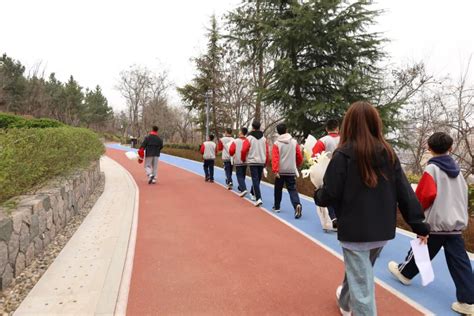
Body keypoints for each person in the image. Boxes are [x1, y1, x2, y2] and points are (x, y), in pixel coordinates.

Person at [313, 101, 430, 315]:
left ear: (348, 125)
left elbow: (330, 193)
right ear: (376, 124)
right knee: (360, 273)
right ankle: (346, 301)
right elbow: (405, 191)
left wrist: (317, 194)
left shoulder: (343, 155)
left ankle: (356, 305)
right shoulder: (388, 153)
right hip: (382, 230)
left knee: (363, 287)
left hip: (354, 230)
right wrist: (419, 225)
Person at [388, 132, 473, 315]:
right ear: (451, 148)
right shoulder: (458, 173)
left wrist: (418, 217)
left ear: (429, 148)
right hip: (455, 225)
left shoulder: (432, 169)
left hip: (436, 223)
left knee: (421, 249)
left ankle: (405, 273)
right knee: (460, 263)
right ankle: (468, 301)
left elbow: (424, 196)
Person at [313, 119, 340, 230]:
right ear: (338, 128)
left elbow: (315, 158)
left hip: (327, 172)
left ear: (326, 129)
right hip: (343, 171)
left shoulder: (322, 141)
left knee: (328, 194)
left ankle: (333, 218)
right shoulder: (345, 140)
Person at [271, 123, 303, 219]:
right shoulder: (294, 142)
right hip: (290, 169)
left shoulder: (277, 144)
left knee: (278, 189)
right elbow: (299, 156)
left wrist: (275, 170)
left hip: (280, 171)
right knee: (292, 189)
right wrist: (296, 165)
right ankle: (297, 204)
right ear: (286, 130)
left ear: (278, 132)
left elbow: (275, 158)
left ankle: (277, 206)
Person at [247, 120, 269, 207]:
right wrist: (265, 161)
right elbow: (266, 151)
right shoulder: (264, 138)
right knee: (258, 179)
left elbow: (245, 149)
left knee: (255, 179)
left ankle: (258, 198)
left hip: (253, 161)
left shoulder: (249, 138)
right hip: (261, 161)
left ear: (252, 127)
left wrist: (244, 158)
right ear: (259, 127)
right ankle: (253, 193)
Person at [229, 127, 250, 197]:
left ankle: (244, 189)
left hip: (238, 160)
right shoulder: (248, 140)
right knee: (243, 174)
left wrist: (232, 155)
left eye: (239, 131)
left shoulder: (235, 141)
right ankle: (241, 187)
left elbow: (231, 150)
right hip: (246, 161)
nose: (238, 132)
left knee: (239, 175)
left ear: (241, 132)